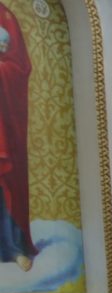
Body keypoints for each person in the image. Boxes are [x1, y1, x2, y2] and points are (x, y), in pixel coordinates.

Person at [0, 5, 37, 271]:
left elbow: (18, 66)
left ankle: (11, 248)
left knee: (3, 187)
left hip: (3, 129)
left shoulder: (5, 17)